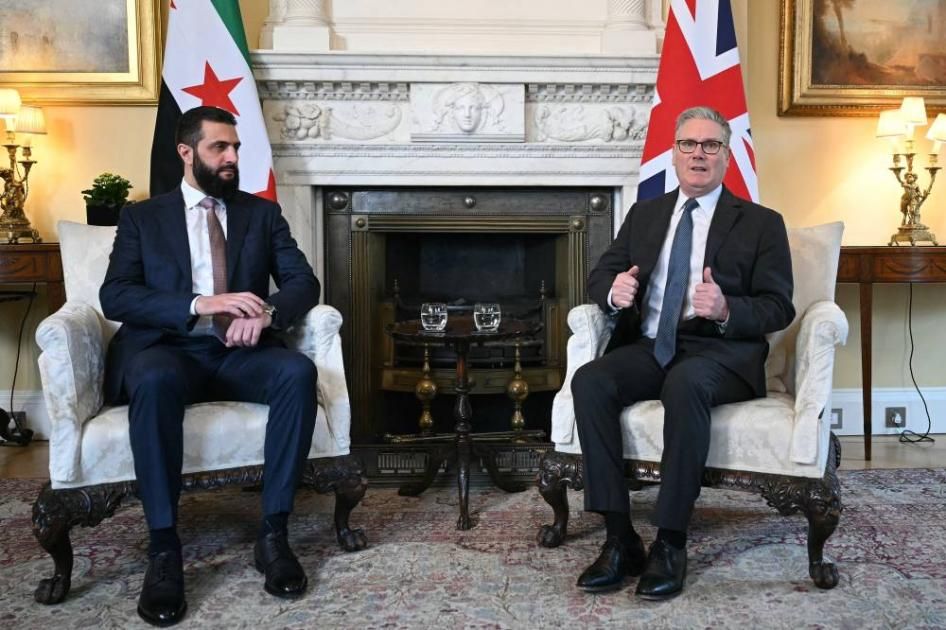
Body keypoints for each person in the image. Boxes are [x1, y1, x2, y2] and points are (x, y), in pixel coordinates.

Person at [100, 106, 320, 626]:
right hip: (170, 349)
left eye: (235, 148)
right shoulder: (143, 218)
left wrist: (266, 314)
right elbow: (116, 295)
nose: (231, 158)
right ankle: (164, 548)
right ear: (186, 152)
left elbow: (302, 282)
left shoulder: (261, 213)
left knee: (297, 373)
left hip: (239, 354)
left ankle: (273, 533)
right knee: (153, 378)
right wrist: (201, 304)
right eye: (219, 147)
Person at [572, 106, 795, 600]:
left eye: (710, 145)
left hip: (720, 354)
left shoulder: (761, 223)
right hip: (652, 345)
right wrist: (614, 291)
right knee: (591, 380)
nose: (698, 154)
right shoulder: (645, 215)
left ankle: (671, 541)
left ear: (727, 155)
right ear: (673, 154)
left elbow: (780, 306)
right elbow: (601, 274)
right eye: (688, 144)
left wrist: (727, 308)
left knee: (686, 382)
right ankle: (619, 538)